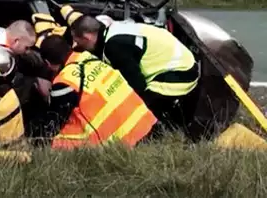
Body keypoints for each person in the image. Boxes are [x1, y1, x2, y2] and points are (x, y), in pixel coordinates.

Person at [68, 14, 201, 136]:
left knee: (137, 116)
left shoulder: (114, 46)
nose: (77, 45)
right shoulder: (115, 29)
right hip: (184, 64)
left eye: (78, 41)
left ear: (87, 37)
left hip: (178, 75)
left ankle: (158, 137)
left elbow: (137, 84)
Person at [37, 34, 158, 149]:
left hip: (123, 142)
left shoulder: (65, 82)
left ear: (48, 63)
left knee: (53, 142)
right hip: (146, 124)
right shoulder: (90, 58)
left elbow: (53, 124)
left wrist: (46, 97)